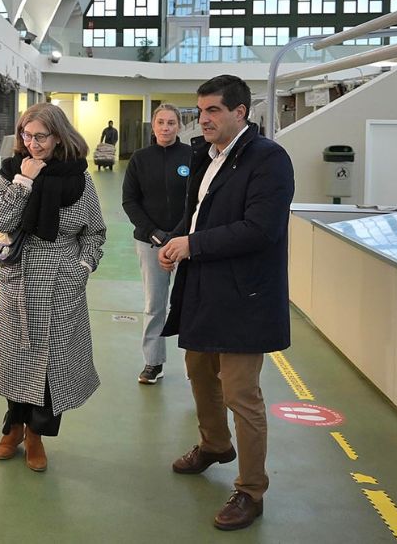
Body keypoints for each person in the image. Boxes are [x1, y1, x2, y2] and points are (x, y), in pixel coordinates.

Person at [157, 75, 295, 531]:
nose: (204, 119)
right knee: (199, 372)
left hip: (244, 296)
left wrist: (192, 245)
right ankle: (215, 444)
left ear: (240, 112)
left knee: (240, 393)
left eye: (213, 110)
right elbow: (199, 214)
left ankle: (251, 490)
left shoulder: (268, 159)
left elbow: (261, 229)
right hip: (203, 288)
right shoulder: (207, 155)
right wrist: (176, 239)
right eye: (200, 111)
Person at [0, 103, 106, 472]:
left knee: (53, 365)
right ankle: (13, 427)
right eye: (26, 135)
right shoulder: (11, 172)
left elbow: (94, 233)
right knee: (16, 360)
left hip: (61, 283)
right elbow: (2, 220)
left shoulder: (79, 180)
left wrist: (82, 268)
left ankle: (37, 434)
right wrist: (24, 182)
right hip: (19, 280)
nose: (32, 143)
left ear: (58, 137)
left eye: (40, 136)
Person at [121, 104, 192, 384]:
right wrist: (155, 234)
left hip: (186, 242)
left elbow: (196, 200)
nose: (166, 127)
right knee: (155, 304)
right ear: (153, 125)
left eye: (171, 122)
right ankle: (153, 362)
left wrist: (178, 234)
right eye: (161, 122)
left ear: (179, 126)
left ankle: (195, 364)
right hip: (150, 244)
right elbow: (130, 201)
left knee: (191, 302)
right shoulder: (140, 159)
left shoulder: (192, 156)